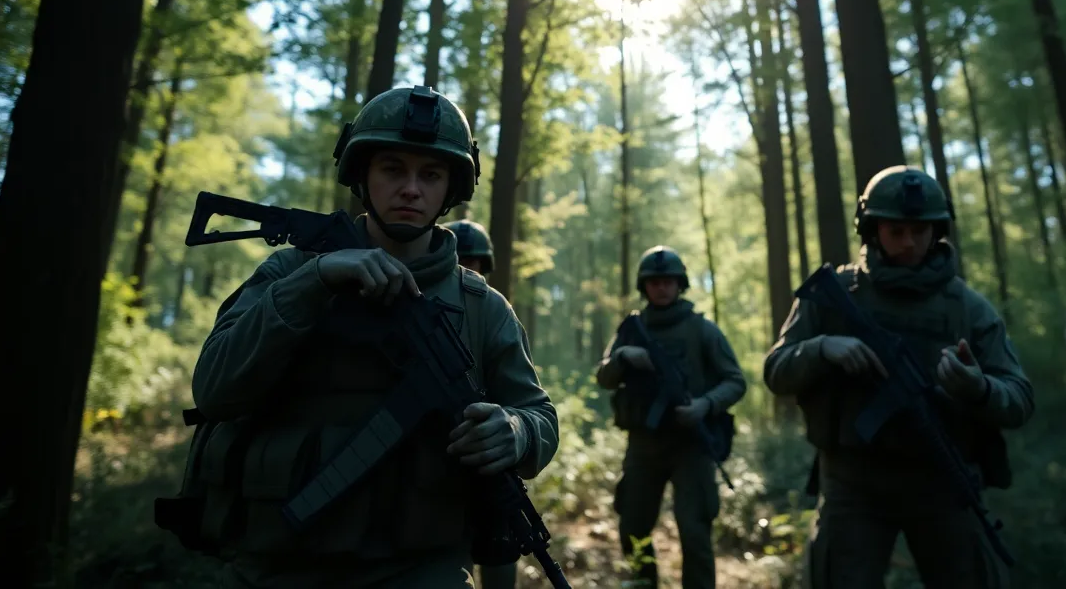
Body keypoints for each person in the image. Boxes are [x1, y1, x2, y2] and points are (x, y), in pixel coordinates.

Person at [187, 86, 558, 588]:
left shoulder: (481, 307)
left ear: (451, 189)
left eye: (430, 174)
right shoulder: (288, 273)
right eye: (393, 169)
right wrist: (315, 282)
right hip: (275, 566)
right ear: (361, 175)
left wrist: (514, 430)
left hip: (421, 570)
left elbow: (538, 415)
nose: (411, 188)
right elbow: (214, 389)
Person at [764, 165, 1034, 589]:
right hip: (853, 483)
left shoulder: (967, 307)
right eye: (896, 231)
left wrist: (978, 387)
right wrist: (821, 348)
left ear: (937, 231)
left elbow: (1018, 397)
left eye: (920, 231)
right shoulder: (835, 294)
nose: (909, 242)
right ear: (872, 230)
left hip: (940, 479)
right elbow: (776, 371)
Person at [595, 245, 747, 589]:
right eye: (654, 282)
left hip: (691, 446)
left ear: (681, 284)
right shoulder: (631, 329)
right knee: (633, 527)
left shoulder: (702, 330)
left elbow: (735, 381)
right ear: (643, 287)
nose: (661, 288)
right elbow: (604, 377)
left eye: (668, 281)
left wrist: (705, 405)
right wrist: (622, 357)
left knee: (694, 532)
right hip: (643, 447)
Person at [443, 216, 517, 589]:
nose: (466, 270)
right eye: (460, 259)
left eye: (474, 263)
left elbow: (527, 404)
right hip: (433, 476)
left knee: (500, 565)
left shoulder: (494, 312)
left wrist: (513, 430)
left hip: (489, 467)